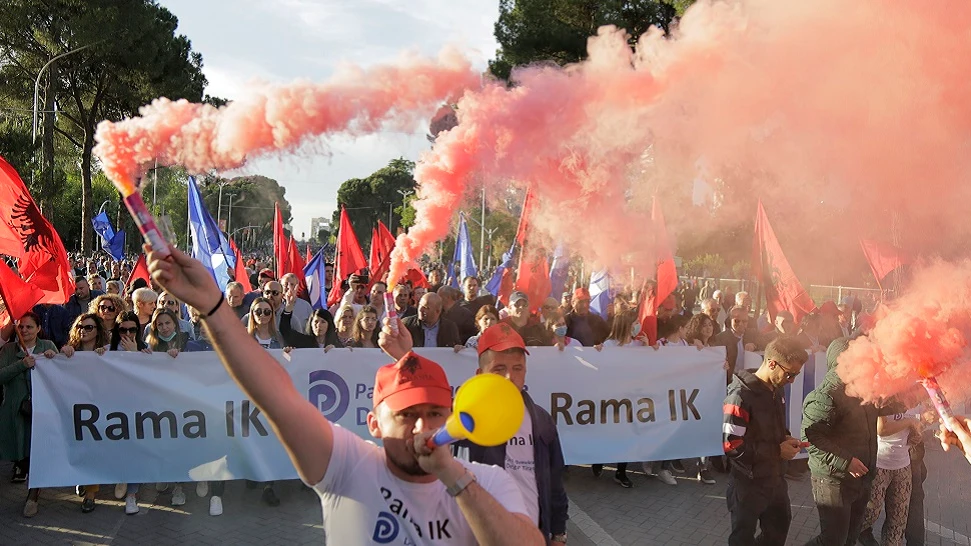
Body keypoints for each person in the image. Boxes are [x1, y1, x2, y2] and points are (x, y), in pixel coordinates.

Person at [143, 244, 544, 545]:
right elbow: (275, 394)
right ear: (373, 423)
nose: (424, 426)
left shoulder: (488, 482)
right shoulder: (349, 466)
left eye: (436, 412)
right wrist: (212, 307)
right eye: (406, 415)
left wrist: (453, 477)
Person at [454, 323, 570, 545]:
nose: (509, 377)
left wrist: (558, 534)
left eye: (517, 368)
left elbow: (555, 481)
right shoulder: (461, 420)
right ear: (480, 374)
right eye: (499, 368)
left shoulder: (542, 420)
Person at [801, 338, 908, 546]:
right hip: (833, 480)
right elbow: (811, 439)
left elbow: (886, 405)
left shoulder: (863, 388)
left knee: (850, 538)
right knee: (832, 540)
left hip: (862, 477)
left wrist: (916, 395)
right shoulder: (826, 395)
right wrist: (845, 461)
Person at [723, 336, 809, 546]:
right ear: (772, 363)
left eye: (796, 375)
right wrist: (777, 450)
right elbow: (731, 446)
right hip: (748, 483)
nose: (792, 381)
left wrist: (785, 438)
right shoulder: (740, 396)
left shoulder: (776, 389)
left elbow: (773, 429)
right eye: (790, 374)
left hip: (775, 479)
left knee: (778, 531)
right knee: (742, 539)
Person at [0, 312, 58, 517]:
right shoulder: (8, 349)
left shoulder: (48, 346)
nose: (24, 331)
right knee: (22, 454)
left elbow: (60, 377)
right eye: (21, 327)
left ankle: (33, 497)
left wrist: (54, 360)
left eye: (29, 327)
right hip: (15, 412)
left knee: (38, 455)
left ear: (38, 329)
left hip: (41, 411)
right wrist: (21, 365)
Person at [60, 313, 110, 512]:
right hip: (75, 408)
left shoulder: (106, 352)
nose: (83, 330)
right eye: (80, 327)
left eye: (89, 327)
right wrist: (57, 355)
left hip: (99, 409)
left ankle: (91, 492)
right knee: (78, 446)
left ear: (97, 331)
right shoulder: (69, 352)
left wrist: (106, 356)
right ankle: (82, 478)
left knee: (93, 447)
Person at [858, 409, 920, 546]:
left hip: (903, 465)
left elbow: (919, 424)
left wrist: (921, 425)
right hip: (879, 463)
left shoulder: (914, 397)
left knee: (898, 520)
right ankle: (850, 534)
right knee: (870, 513)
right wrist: (910, 421)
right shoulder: (885, 394)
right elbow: (882, 429)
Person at [712, 306, 762, 383]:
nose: (741, 324)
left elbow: (767, 343)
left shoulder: (753, 334)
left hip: (750, 381)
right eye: (737, 321)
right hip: (729, 381)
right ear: (730, 320)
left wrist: (755, 345)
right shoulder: (721, 338)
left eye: (744, 321)